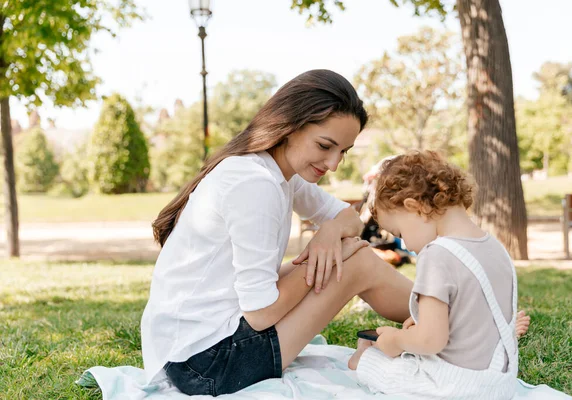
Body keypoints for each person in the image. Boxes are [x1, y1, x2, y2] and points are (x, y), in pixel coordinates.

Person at [140, 70, 418, 397]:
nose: (332, 164)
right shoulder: (255, 183)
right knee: (356, 263)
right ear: (291, 126)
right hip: (205, 366)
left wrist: (329, 233)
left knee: (355, 254)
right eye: (325, 145)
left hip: (198, 351)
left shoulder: (278, 172)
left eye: (343, 151)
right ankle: (448, 317)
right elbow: (260, 314)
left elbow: (350, 218)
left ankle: (442, 314)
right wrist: (336, 252)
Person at [348, 150, 530, 399]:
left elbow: (432, 341)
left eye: (400, 232)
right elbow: (473, 315)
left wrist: (396, 340)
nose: (407, 245)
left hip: (454, 386)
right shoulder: (494, 247)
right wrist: (424, 321)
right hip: (499, 384)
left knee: (377, 365)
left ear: (415, 207)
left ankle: (363, 356)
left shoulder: (436, 255)